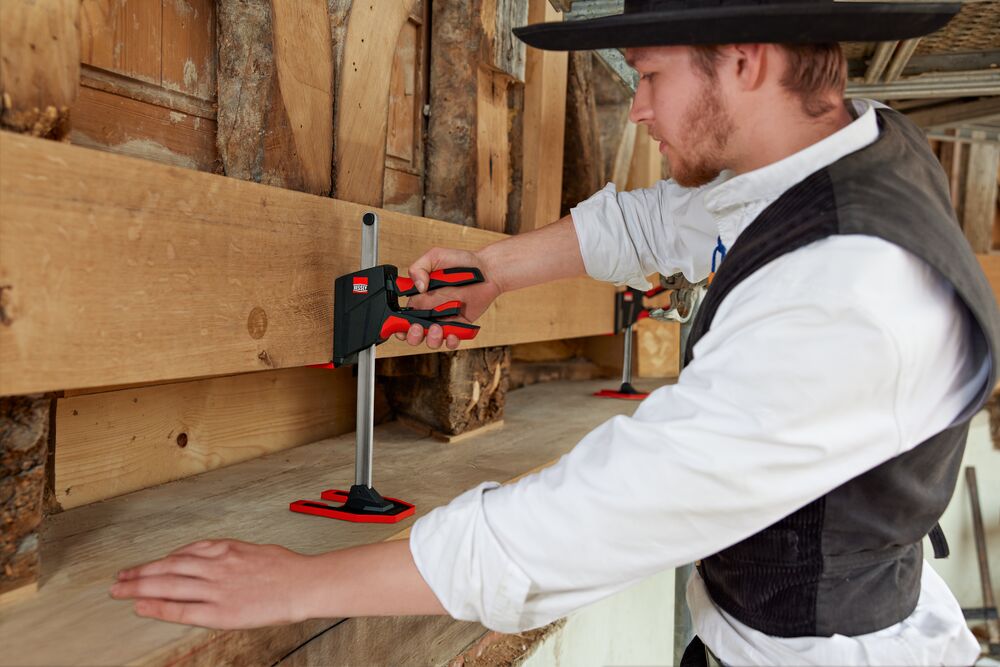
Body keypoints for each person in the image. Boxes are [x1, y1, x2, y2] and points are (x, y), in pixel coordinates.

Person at [110, 1, 999, 664]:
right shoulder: (829, 153)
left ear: (746, 60)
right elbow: (662, 224)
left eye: (650, 76)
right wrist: (497, 274)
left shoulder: (852, 291)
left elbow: (605, 515)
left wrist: (300, 583)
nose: (639, 108)